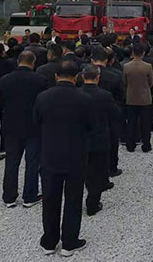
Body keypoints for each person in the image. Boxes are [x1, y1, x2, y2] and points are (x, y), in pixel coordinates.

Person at [34, 61, 93, 256]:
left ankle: (49, 241)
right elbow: (91, 127)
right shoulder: (84, 98)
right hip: (75, 156)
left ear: (56, 76)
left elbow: (36, 123)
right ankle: (69, 242)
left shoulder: (42, 98)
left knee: (50, 199)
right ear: (76, 77)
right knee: (73, 199)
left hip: (50, 155)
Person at [0, 51, 47, 208]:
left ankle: (9, 196)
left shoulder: (5, 80)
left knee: (11, 162)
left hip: (11, 125)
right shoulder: (40, 80)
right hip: (33, 126)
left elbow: (0, 102)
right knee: (32, 162)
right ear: (33, 63)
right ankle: (29, 195)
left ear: (18, 61)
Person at [80, 64, 116, 216]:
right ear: (98, 77)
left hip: (80, 139)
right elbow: (115, 115)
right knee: (98, 171)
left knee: (83, 170)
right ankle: (93, 202)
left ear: (82, 76)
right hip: (100, 138)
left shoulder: (76, 94)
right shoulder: (105, 95)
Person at [91, 47, 124, 177]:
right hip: (110, 113)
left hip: (89, 112)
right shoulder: (115, 75)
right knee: (112, 140)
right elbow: (121, 96)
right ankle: (112, 167)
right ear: (106, 60)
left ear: (92, 60)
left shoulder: (85, 74)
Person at [123, 44, 153, 153]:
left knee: (131, 122)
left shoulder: (126, 66)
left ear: (133, 53)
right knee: (145, 123)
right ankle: (146, 145)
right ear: (143, 53)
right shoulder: (148, 66)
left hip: (131, 97)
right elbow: (151, 82)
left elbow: (125, 82)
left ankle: (130, 145)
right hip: (144, 97)